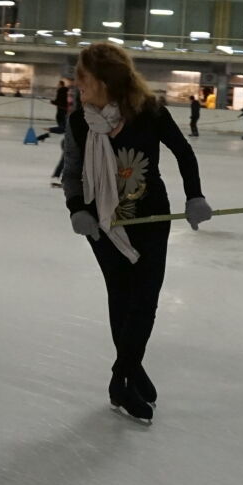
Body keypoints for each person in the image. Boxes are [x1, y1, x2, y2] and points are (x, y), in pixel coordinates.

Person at [61, 42, 211, 424]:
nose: (78, 83)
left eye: (83, 77)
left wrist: (194, 196)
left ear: (105, 81)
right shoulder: (79, 122)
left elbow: (183, 152)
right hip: (104, 224)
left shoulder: (149, 111)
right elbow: (72, 171)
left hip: (150, 219)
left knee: (145, 301)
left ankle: (122, 376)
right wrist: (77, 208)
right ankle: (130, 374)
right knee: (121, 297)